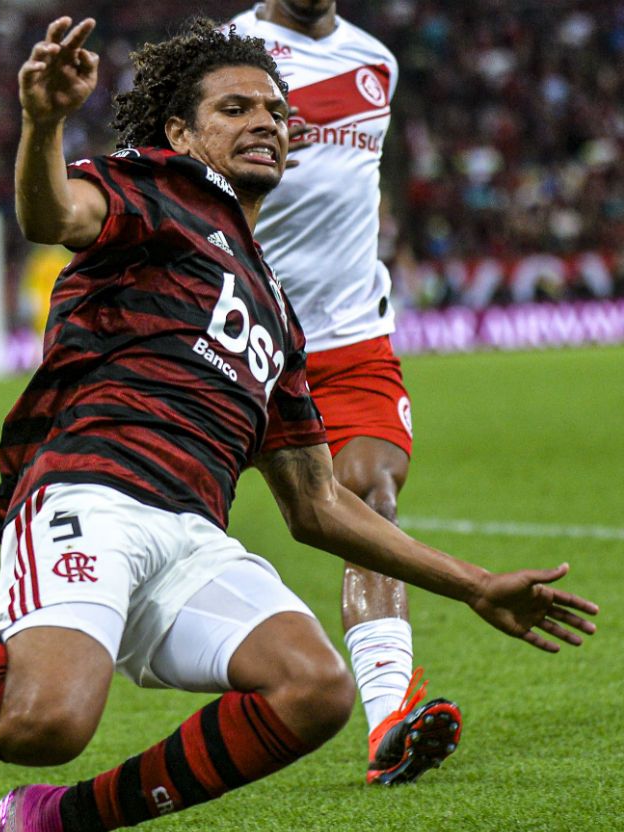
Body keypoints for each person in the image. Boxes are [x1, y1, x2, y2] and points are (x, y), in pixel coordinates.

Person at [0, 16, 598, 832]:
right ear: (180, 132)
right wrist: (43, 122)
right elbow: (51, 217)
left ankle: (55, 824)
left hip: (190, 536)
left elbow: (317, 504)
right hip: (90, 491)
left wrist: (475, 585)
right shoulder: (155, 190)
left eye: (277, 111)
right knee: (40, 725)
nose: (267, 122)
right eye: (235, 107)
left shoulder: (278, 312)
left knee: (315, 690)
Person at [226, 0, 458, 787]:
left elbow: (358, 186)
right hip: (242, 335)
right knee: (165, 525)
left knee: (368, 495)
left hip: (355, 337)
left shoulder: (376, 62)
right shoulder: (226, 53)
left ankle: (388, 717)